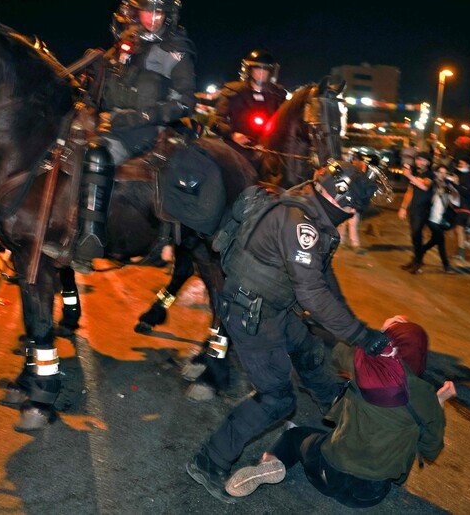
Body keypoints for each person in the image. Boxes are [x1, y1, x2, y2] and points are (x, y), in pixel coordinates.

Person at [186, 160, 393, 504]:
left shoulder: (310, 202)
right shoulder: (302, 225)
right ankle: (210, 460)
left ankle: (338, 410)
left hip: (273, 306)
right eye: (356, 208)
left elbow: (324, 278)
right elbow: (312, 293)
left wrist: (352, 326)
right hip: (251, 312)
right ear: (344, 202)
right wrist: (362, 336)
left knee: (310, 351)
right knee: (276, 398)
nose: (355, 215)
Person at [224, 316, 454, 507]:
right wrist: (439, 402)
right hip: (370, 495)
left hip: (326, 474)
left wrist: (382, 331)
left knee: (295, 435)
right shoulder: (425, 397)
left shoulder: (365, 367)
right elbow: (430, 448)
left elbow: (339, 351)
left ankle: (271, 462)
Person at [72, 0, 196, 263]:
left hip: (145, 130)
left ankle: (90, 240)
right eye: (148, 10)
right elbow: (100, 95)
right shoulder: (122, 47)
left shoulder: (176, 49)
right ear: (133, 11)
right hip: (112, 123)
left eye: (160, 12)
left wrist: (142, 116)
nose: (154, 18)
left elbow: (184, 101)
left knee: (97, 153)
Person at [210, 50, 286, 169]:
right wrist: (233, 135)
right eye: (257, 69)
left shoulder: (278, 95)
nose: (261, 73)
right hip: (237, 148)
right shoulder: (233, 91)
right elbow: (216, 121)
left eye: (265, 70)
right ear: (250, 70)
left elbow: (284, 124)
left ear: (270, 73)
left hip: (269, 150)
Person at [398, 151, 434, 274]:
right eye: (418, 159)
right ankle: (416, 260)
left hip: (423, 209)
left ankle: (418, 262)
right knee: (414, 236)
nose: (420, 162)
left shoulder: (430, 174)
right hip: (413, 209)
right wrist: (403, 207)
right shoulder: (416, 173)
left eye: (423, 160)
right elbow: (410, 191)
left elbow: (425, 186)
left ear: (428, 162)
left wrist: (409, 176)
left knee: (417, 234)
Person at [419, 164, 459, 273]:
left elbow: (456, 201)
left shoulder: (448, 185)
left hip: (441, 218)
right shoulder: (431, 183)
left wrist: (454, 188)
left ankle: (420, 252)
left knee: (436, 240)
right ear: (436, 173)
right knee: (440, 239)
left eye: (444, 173)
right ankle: (446, 266)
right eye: (440, 172)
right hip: (431, 217)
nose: (442, 175)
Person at [452, 157, 470, 261]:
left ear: (468, 165)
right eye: (459, 163)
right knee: (457, 230)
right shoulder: (458, 174)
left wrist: (456, 184)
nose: (460, 165)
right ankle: (463, 245)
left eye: (462, 163)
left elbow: (466, 192)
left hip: (465, 207)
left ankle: (461, 254)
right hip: (457, 206)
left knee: (459, 229)